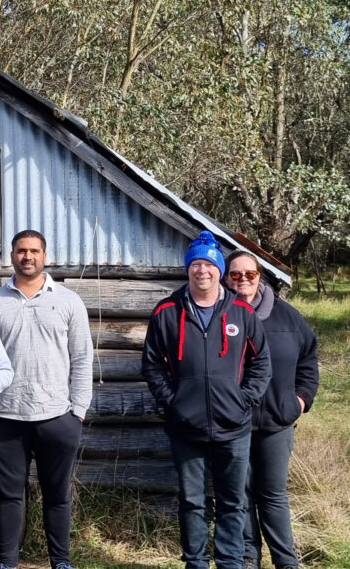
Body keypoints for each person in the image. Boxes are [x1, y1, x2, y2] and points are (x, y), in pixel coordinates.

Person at [141, 231, 271, 569]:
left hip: (234, 427)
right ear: (188, 270)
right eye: (196, 264)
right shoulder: (167, 311)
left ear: (219, 271)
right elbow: (152, 364)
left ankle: (230, 561)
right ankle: (195, 562)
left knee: (232, 501)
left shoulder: (241, 312)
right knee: (192, 501)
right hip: (186, 427)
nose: (203, 271)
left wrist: (244, 400)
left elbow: (262, 363)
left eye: (209, 265)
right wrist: (172, 401)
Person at [0, 230, 93, 569]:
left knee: (57, 496)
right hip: (6, 418)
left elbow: (82, 358)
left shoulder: (68, 301)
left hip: (58, 416)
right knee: (8, 495)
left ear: (45, 256)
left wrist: (78, 412)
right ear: (12, 256)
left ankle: (60, 561)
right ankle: (7, 561)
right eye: (20, 251)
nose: (27, 256)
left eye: (34, 251)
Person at [224, 251, 319, 569]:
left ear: (259, 276)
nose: (243, 281)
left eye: (249, 274)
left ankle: (285, 561)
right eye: (235, 275)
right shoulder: (219, 314)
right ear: (226, 278)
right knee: (239, 493)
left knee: (272, 493)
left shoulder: (287, 317)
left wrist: (301, 399)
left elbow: (308, 357)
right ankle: (249, 556)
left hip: (277, 421)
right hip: (233, 422)